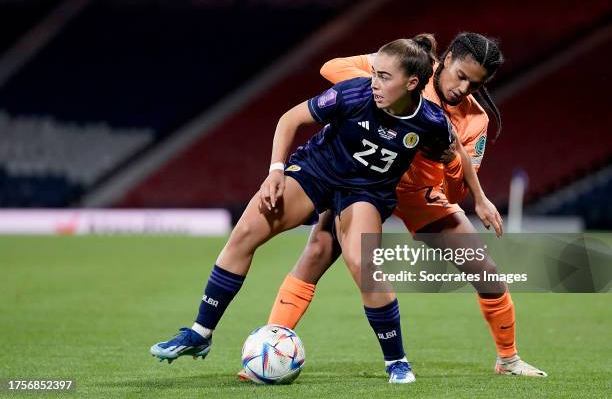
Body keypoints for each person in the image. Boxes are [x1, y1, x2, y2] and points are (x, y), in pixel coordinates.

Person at [150, 34, 478, 383]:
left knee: (363, 264)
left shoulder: (430, 122)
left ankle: (396, 361)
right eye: (375, 73)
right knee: (245, 232)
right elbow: (289, 119)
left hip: (365, 192)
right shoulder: (353, 93)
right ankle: (200, 333)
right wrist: (275, 171)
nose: (375, 82)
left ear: (412, 83)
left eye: (384, 76)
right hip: (317, 172)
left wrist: (480, 198)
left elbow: (456, 152)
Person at [256, 33, 547, 378]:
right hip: (364, 180)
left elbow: (454, 193)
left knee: (484, 270)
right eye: (461, 75)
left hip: (417, 195)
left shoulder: (475, 120)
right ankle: (268, 348)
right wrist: (384, 92)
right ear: (448, 58)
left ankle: (509, 360)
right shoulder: (410, 71)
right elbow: (331, 68)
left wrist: (451, 161)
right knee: (318, 249)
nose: (463, 88)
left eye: (475, 84)